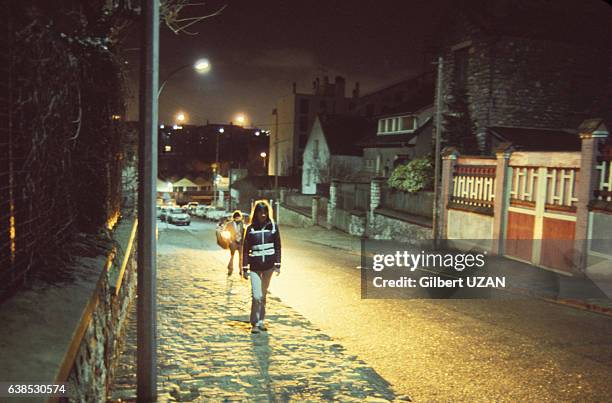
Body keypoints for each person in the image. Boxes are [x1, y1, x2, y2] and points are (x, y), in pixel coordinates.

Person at [241, 200, 281, 334]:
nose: (263, 215)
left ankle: (260, 321)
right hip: (255, 267)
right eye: (260, 212)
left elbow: (278, 246)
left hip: (269, 266)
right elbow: (245, 249)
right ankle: (254, 322)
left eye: (265, 212)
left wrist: (278, 264)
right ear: (256, 213)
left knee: (263, 295)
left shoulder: (273, 227)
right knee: (256, 296)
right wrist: (244, 267)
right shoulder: (250, 229)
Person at [225, 210, 245, 276]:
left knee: (241, 257)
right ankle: (230, 269)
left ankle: (241, 270)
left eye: (239, 217)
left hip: (241, 242)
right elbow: (225, 232)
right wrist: (229, 240)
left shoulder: (242, 224)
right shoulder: (230, 224)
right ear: (234, 218)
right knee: (232, 256)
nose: (238, 219)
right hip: (233, 242)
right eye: (236, 218)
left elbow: (243, 233)